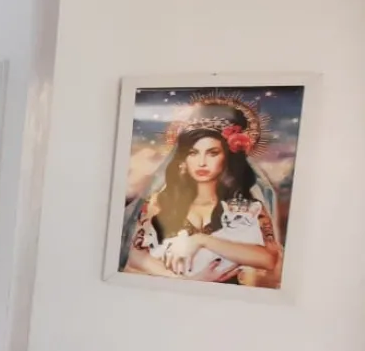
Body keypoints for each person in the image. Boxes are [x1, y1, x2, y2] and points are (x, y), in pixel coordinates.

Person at [121, 107, 284, 286]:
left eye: (212, 153)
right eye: (193, 153)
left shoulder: (245, 207)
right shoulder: (160, 201)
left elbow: (269, 259)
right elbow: (135, 254)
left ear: (227, 158)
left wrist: (201, 240)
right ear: (183, 160)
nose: (202, 162)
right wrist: (187, 281)